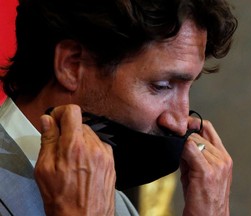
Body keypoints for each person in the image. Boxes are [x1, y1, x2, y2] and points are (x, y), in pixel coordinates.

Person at [0, 0, 237, 215]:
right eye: (162, 86)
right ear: (72, 65)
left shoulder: (116, 200)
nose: (180, 121)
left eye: (188, 88)